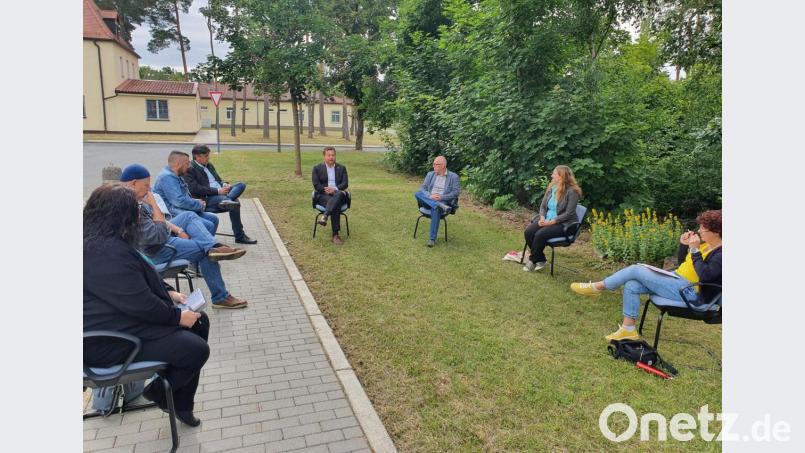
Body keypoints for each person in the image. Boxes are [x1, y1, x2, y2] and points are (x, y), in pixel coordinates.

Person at [83, 184, 209, 427]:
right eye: (136, 211)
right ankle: (160, 393)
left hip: (122, 324)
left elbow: (135, 283)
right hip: (109, 341)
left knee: (199, 321)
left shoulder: (106, 243)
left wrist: (171, 294)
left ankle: (181, 402)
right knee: (196, 350)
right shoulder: (104, 253)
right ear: (121, 216)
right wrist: (176, 318)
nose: (140, 216)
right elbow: (139, 303)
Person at [570, 209, 723, 341]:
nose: (700, 231)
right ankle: (628, 330)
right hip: (676, 280)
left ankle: (597, 287)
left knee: (636, 270)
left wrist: (695, 250)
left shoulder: (721, 253)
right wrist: (684, 245)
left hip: (690, 294)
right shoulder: (705, 245)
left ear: (716, 232)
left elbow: (705, 276)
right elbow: (684, 263)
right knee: (633, 285)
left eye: (703, 229)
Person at [120, 164, 248, 309]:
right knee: (204, 252)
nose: (149, 189)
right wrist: (154, 204)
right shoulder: (128, 206)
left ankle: (214, 246)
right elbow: (158, 235)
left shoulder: (130, 198)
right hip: (154, 251)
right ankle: (220, 297)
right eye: (146, 185)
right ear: (133, 183)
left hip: (157, 238)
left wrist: (178, 229)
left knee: (188, 216)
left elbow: (160, 223)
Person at [183, 144, 257, 245]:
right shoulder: (190, 169)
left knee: (241, 185)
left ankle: (228, 199)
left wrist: (224, 184)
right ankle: (239, 236)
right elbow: (195, 189)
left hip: (221, 194)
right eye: (206, 156)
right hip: (206, 198)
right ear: (197, 156)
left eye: (208, 155)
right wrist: (218, 191)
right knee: (235, 203)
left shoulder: (209, 165)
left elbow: (218, 179)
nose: (208, 158)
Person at [522, 165, 582, 271]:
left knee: (540, 234)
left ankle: (532, 261)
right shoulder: (552, 187)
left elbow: (569, 213)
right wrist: (541, 218)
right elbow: (543, 206)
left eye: (554, 173)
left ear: (562, 176)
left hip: (564, 224)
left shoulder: (572, 191)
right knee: (529, 232)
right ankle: (540, 258)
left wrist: (551, 223)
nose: (552, 175)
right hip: (547, 219)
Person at [154, 151, 220, 233]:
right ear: (178, 164)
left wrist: (195, 201)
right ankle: (203, 244)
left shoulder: (175, 174)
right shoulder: (167, 177)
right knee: (208, 225)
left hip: (179, 209)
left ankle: (207, 243)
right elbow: (179, 201)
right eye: (187, 163)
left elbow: (180, 197)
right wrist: (198, 205)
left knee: (214, 219)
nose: (189, 166)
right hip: (172, 214)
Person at [414, 156, 461, 247]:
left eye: (436, 164)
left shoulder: (453, 177)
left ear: (443, 165)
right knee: (418, 193)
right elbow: (423, 188)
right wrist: (430, 195)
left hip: (442, 201)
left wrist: (441, 197)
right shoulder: (430, 174)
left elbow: (455, 193)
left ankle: (432, 239)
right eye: (433, 164)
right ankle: (437, 205)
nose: (433, 166)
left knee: (436, 208)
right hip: (429, 200)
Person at [312, 146, 349, 245]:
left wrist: (335, 189)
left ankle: (325, 216)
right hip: (323, 195)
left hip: (339, 193)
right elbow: (316, 185)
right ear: (324, 156)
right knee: (335, 204)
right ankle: (335, 235)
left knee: (339, 194)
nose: (331, 157)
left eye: (333, 155)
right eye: (328, 155)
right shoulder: (317, 168)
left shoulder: (341, 168)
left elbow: (345, 184)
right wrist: (326, 190)